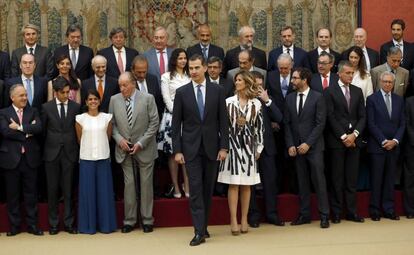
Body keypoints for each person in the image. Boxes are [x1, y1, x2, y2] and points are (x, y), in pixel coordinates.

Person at [171, 54, 229, 246]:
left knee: (207, 190)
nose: (193, 71)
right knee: (195, 189)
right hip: (191, 149)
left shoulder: (218, 91)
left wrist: (224, 147)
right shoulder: (182, 92)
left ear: (205, 68)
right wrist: (178, 150)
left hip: (213, 149)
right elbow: (175, 124)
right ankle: (198, 232)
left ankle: (203, 226)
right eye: (191, 68)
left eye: (196, 67)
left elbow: (224, 122)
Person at [109, 72, 159, 233]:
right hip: (123, 149)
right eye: (120, 85)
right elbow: (112, 124)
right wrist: (119, 140)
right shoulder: (114, 100)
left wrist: (140, 143)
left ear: (133, 84)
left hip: (144, 148)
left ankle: (147, 220)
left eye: (125, 85)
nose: (122, 88)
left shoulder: (148, 98)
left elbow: (154, 123)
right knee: (129, 185)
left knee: (146, 184)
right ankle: (129, 221)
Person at [217, 70, 264, 235]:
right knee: (234, 184)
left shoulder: (256, 104)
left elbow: (259, 128)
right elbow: (222, 127)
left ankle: (244, 219)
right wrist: (222, 146)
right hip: (231, 147)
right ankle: (233, 220)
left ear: (247, 82)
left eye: (239, 80)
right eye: (235, 80)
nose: (236, 82)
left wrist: (259, 148)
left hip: (249, 148)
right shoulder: (228, 102)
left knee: (246, 186)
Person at [284, 67, 330, 229]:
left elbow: (320, 124)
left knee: (319, 182)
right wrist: (290, 144)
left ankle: (324, 215)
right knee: (302, 182)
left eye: (295, 78)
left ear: (304, 80)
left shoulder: (318, 97)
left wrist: (308, 143)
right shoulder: (289, 98)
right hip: (296, 148)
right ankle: (304, 215)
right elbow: (287, 124)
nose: (292, 81)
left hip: (314, 147)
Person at [324, 60, 366, 224]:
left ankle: (351, 212)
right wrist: (343, 136)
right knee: (336, 179)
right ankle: (336, 212)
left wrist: (354, 135)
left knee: (351, 179)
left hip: (354, 141)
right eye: (347, 73)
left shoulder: (357, 91)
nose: (350, 75)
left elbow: (363, 116)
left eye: (352, 73)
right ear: (339, 73)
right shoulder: (330, 91)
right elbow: (330, 116)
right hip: (337, 142)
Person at [0, 84, 43, 236]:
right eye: (21, 95)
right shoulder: (4, 113)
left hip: (30, 159)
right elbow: (5, 132)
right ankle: (14, 227)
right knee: (13, 195)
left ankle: (33, 226)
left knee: (31, 194)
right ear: (12, 97)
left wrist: (18, 127)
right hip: (11, 159)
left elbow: (38, 128)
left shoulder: (33, 111)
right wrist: (26, 132)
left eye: (25, 95)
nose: (25, 98)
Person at [41, 76, 80, 235]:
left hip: (70, 153)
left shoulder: (76, 107)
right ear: (56, 93)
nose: (66, 95)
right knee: (52, 190)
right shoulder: (46, 108)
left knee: (69, 190)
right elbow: (43, 131)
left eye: (68, 92)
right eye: (63, 92)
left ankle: (69, 223)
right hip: (51, 153)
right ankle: (54, 224)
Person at [75, 89, 117, 234]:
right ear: (86, 102)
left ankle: (106, 226)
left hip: (103, 159)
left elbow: (109, 137)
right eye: (90, 99)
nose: (93, 102)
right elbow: (80, 140)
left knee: (104, 193)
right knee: (88, 193)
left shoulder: (107, 118)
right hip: (86, 159)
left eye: (95, 99)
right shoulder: (80, 119)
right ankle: (88, 226)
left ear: (99, 101)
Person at [247, 71, 284, 228]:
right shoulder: (243, 100)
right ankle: (253, 215)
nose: (259, 88)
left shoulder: (267, 100)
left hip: (267, 147)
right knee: (251, 184)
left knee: (270, 182)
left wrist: (267, 100)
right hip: (248, 148)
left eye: (261, 85)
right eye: (256, 85)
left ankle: (272, 214)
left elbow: (279, 118)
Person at [367, 71, 405, 221]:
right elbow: (371, 123)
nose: (388, 84)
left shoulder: (399, 100)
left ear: (393, 83)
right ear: (380, 82)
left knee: (390, 179)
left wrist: (395, 140)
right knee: (376, 179)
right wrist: (384, 141)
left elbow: (403, 124)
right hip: (378, 147)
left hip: (394, 147)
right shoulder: (372, 99)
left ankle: (389, 209)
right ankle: (375, 210)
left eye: (390, 82)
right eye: (385, 82)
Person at [157, 48, 191, 198]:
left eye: (185, 58)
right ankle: (176, 186)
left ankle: (187, 185)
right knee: (173, 153)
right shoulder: (166, 77)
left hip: (190, 119)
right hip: (172, 118)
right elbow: (166, 98)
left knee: (188, 153)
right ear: (174, 60)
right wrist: (178, 114)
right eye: (180, 58)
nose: (183, 61)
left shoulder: (191, 75)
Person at [130, 55, 165, 119]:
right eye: (139, 72)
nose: (142, 75)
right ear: (132, 70)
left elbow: (158, 102)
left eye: (144, 72)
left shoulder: (153, 79)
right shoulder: (128, 81)